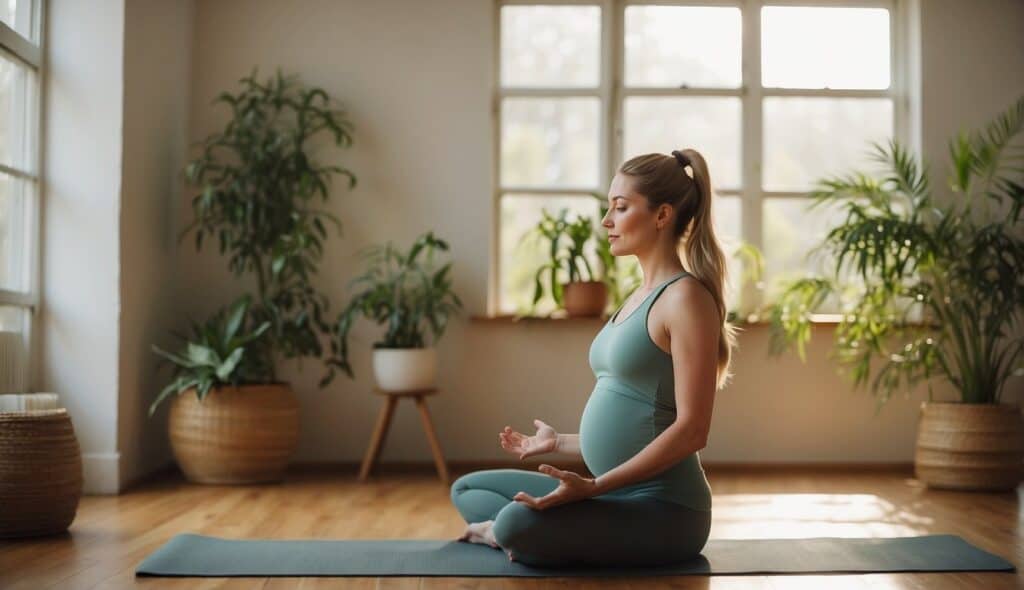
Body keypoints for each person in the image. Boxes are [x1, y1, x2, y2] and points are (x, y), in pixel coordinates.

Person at [450, 149, 738, 567]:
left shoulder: (686, 299)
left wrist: (594, 487)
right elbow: (637, 428)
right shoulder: (638, 296)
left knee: (513, 520)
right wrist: (559, 443)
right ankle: (538, 532)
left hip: (666, 511)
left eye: (620, 208)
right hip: (608, 493)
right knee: (470, 489)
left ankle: (514, 533)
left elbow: (693, 431)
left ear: (662, 215)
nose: (607, 221)